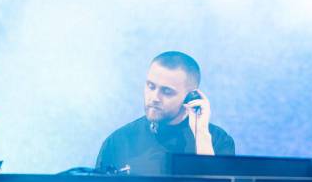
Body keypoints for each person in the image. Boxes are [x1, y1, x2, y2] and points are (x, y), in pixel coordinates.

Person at [96, 51, 234, 175]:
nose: (154, 97)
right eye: (151, 86)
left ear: (191, 96)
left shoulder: (218, 141)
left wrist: (202, 135)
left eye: (167, 91)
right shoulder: (119, 141)